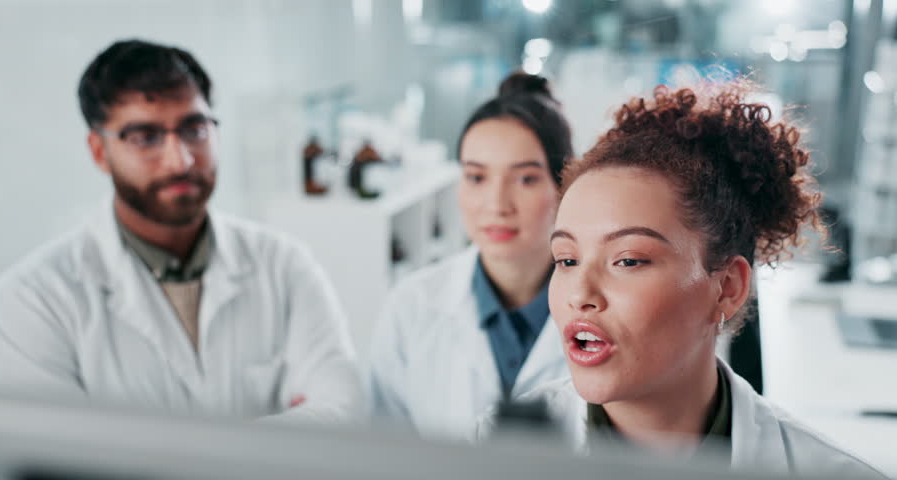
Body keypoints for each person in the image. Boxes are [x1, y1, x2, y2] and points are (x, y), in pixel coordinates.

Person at [0, 39, 363, 422]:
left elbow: (341, 411)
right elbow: (59, 460)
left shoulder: (284, 264)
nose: (180, 159)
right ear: (99, 151)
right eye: (145, 138)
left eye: (194, 129)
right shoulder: (34, 301)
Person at [537, 82, 886, 477]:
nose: (580, 294)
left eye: (628, 261)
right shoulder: (488, 452)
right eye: (566, 260)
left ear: (728, 288)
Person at [368, 72, 574, 440]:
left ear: (563, 185)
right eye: (477, 178)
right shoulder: (412, 307)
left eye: (525, 179)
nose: (497, 205)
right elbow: (386, 452)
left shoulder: (601, 309)